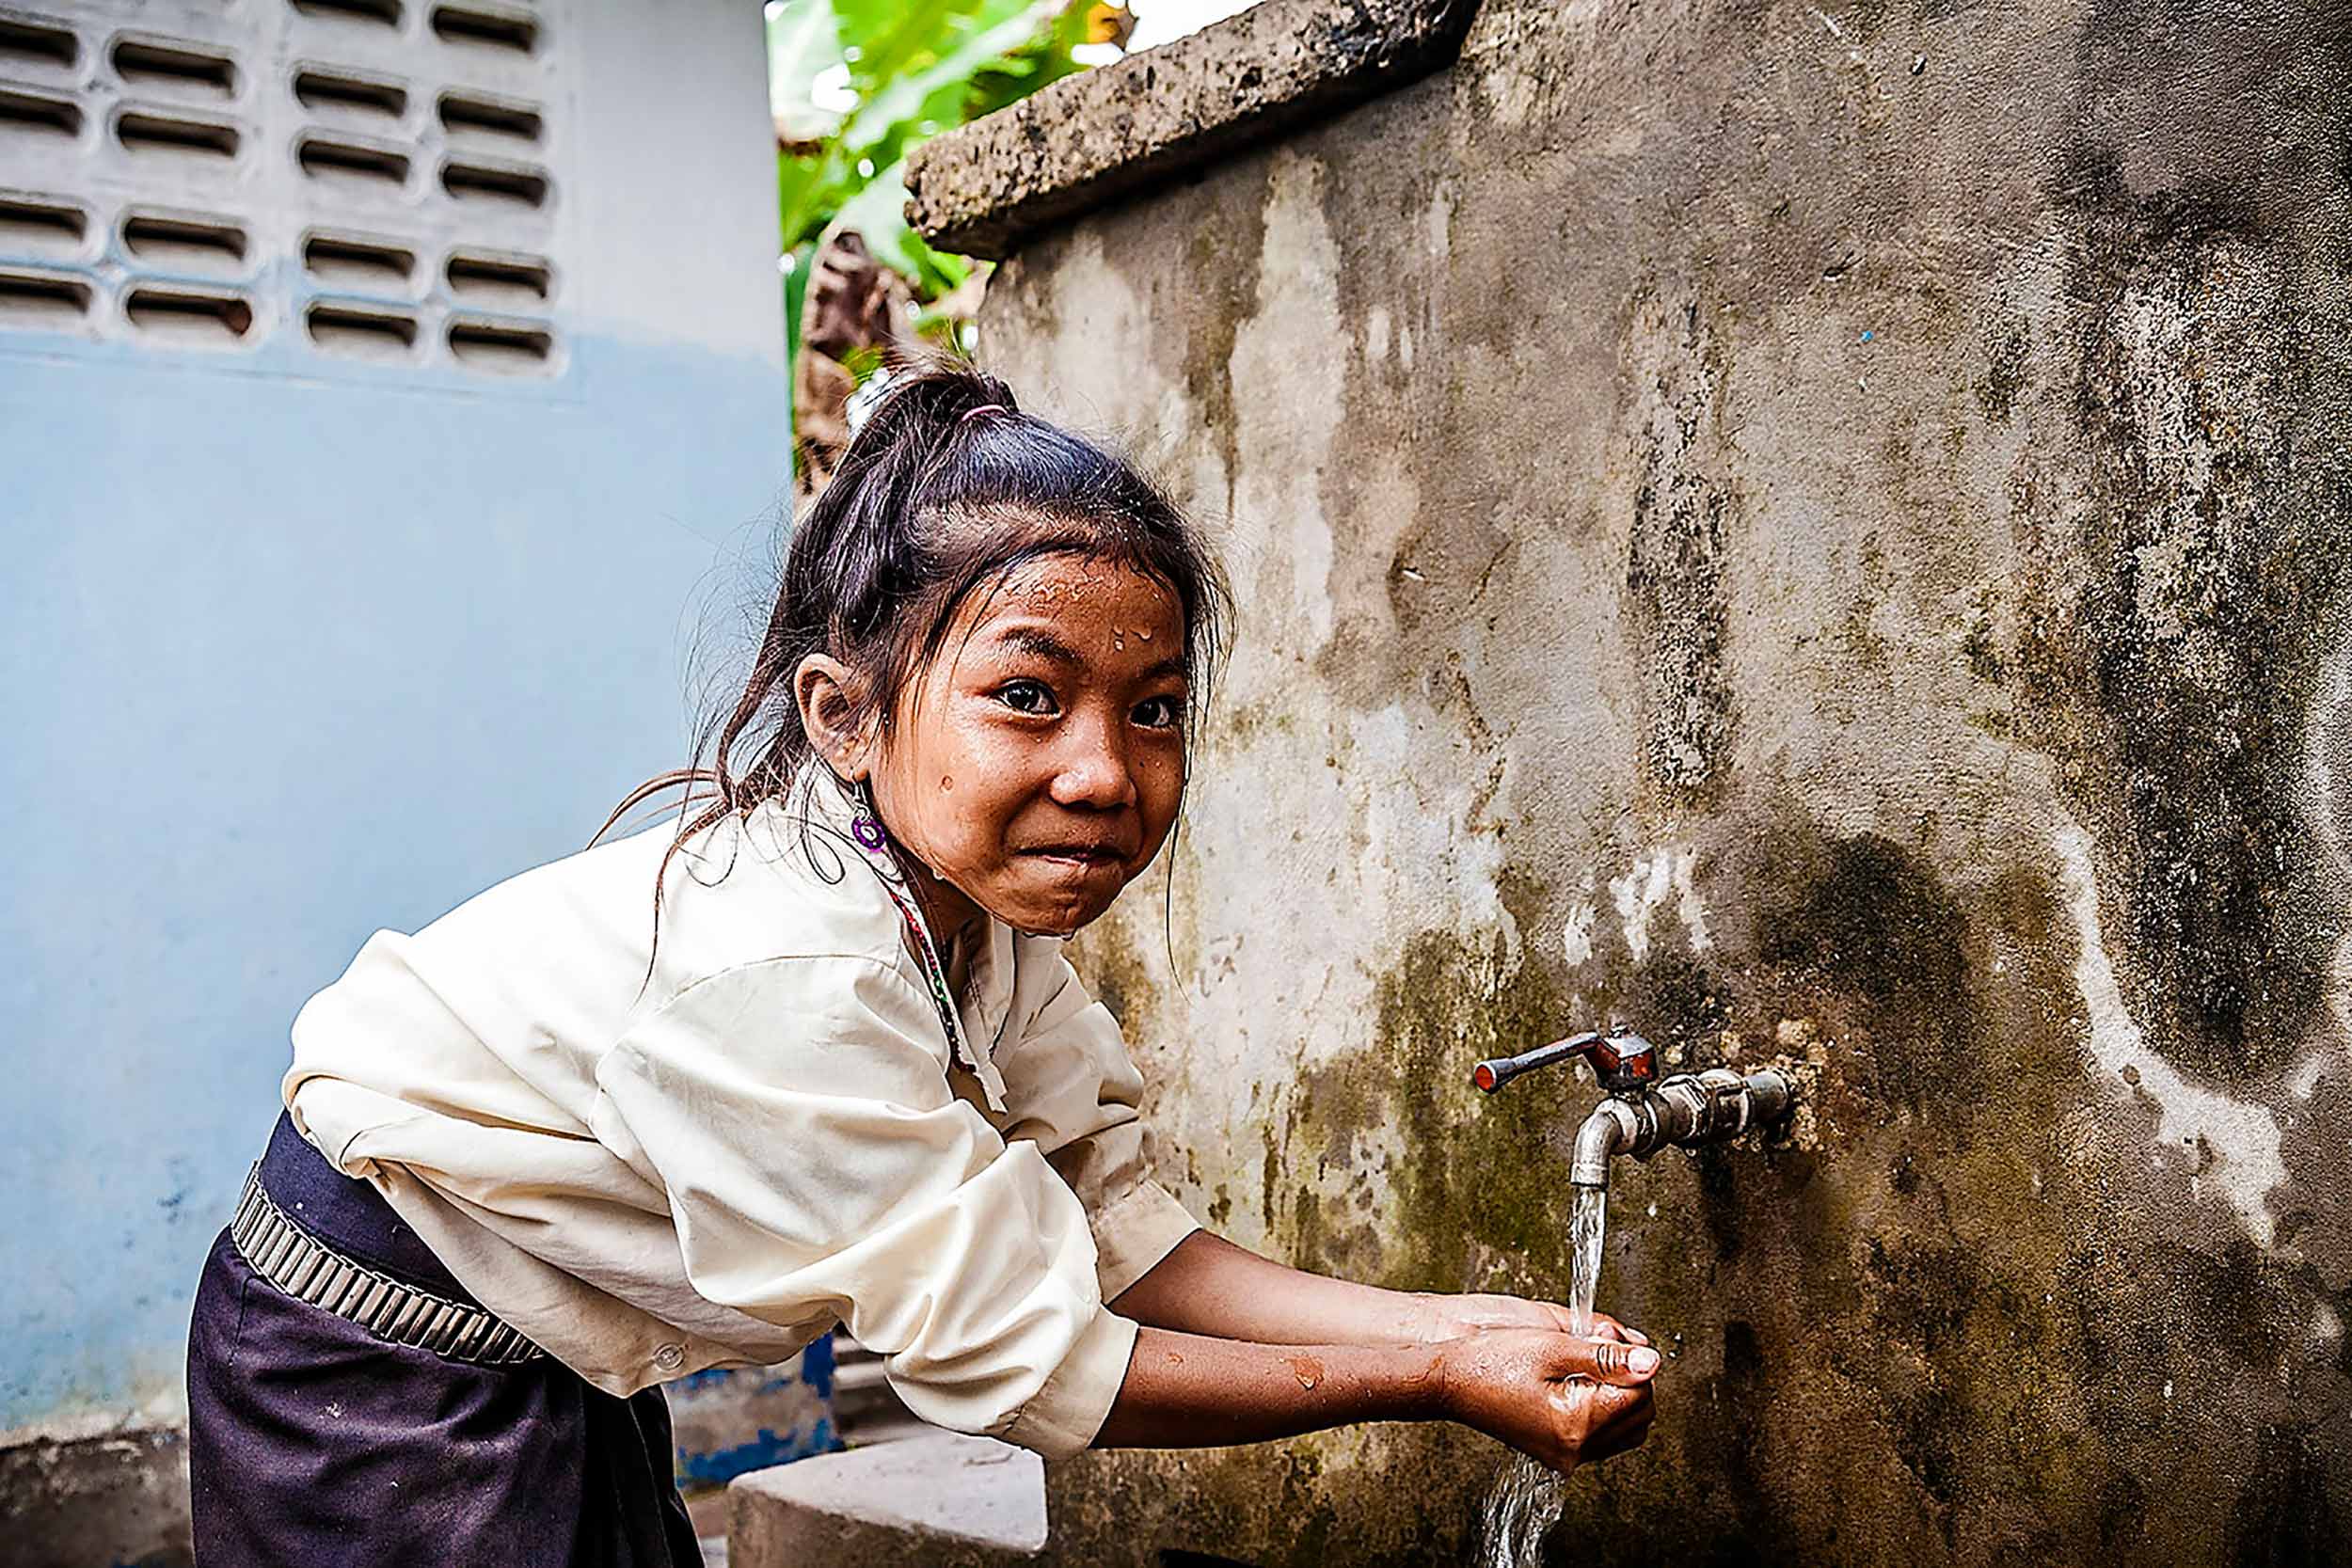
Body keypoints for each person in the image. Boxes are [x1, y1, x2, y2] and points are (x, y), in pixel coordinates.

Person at [184, 364, 1659, 1565]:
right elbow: (1030, 1367)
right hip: (367, 1369)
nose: (1104, 771)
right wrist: (1434, 1380)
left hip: (562, 1347)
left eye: (1154, 710)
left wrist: (1461, 1326)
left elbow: (1117, 1234)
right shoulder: (783, 974)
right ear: (845, 715)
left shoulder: (970, 922)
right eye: (1027, 695)